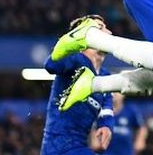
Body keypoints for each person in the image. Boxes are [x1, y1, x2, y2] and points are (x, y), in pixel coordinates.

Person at [40, 15, 114, 155]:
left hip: (79, 146)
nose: (108, 32)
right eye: (100, 28)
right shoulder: (75, 59)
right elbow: (51, 65)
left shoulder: (105, 75)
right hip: (59, 147)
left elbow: (107, 107)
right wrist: (70, 42)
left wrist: (106, 125)